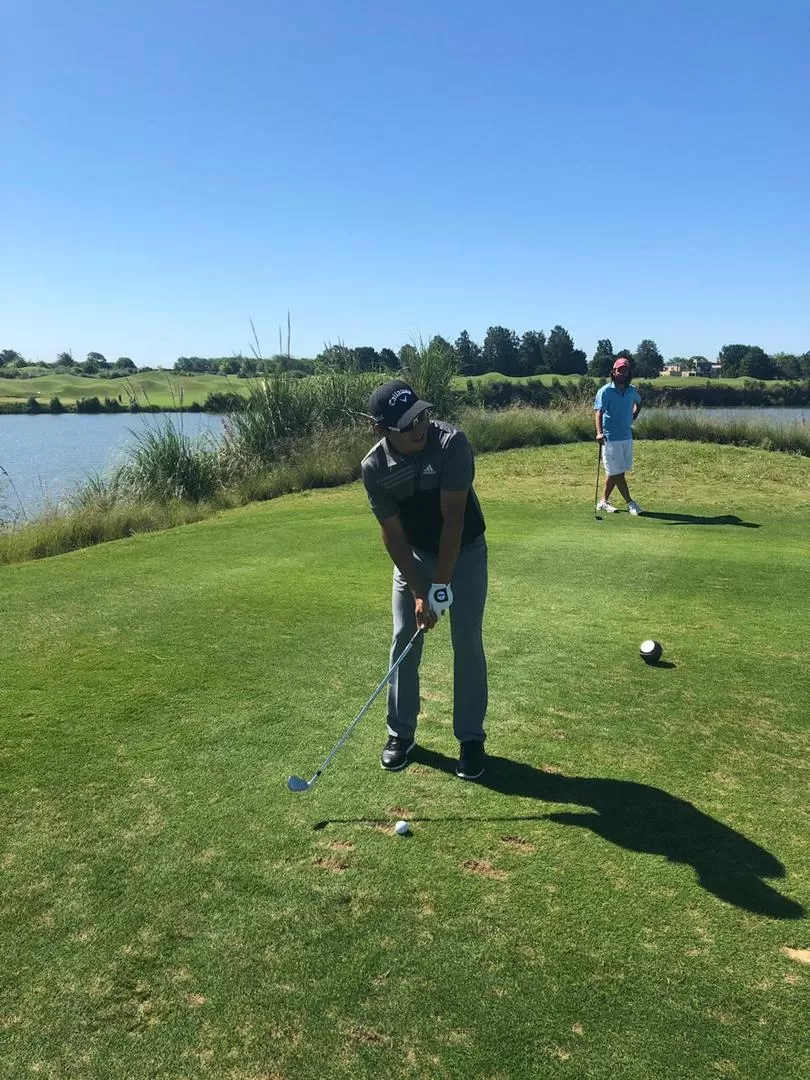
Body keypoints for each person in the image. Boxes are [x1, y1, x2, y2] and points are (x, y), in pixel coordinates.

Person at [361, 379, 488, 780]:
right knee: (404, 638)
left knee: (466, 642)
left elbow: (454, 520)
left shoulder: (452, 444)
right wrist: (420, 590)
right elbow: (394, 537)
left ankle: (470, 739)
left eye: (422, 415)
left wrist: (439, 588)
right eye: (407, 424)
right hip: (414, 555)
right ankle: (401, 734)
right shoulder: (374, 468)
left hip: (464, 552)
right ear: (381, 430)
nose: (420, 427)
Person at [594, 357, 644, 514]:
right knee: (617, 472)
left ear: (629, 373)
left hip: (626, 436)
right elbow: (598, 412)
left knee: (616, 472)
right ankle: (631, 503)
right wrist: (599, 432)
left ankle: (603, 501)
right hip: (610, 437)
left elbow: (639, 403)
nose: (622, 373)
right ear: (613, 372)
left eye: (625, 370)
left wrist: (633, 416)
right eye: (619, 370)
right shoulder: (605, 391)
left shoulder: (632, 391)